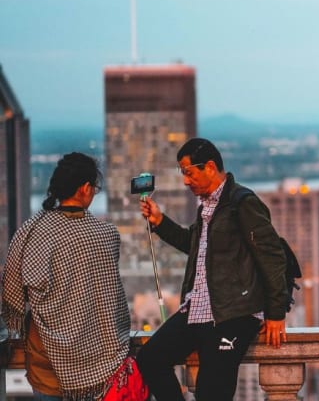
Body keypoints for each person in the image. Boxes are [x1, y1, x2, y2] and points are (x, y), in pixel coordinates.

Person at [135, 137, 290, 400]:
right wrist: (160, 222)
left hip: (233, 314)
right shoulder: (207, 207)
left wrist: (276, 313)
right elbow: (193, 246)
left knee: (211, 392)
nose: (185, 181)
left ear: (209, 167)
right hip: (197, 309)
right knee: (150, 359)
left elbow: (272, 255)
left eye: (188, 173)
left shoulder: (241, 203)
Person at [2, 152, 132, 400]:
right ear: (85, 188)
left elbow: (13, 292)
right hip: (99, 365)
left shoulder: (31, 232)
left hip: (45, 362)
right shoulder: (106, 235)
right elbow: (111, 302)